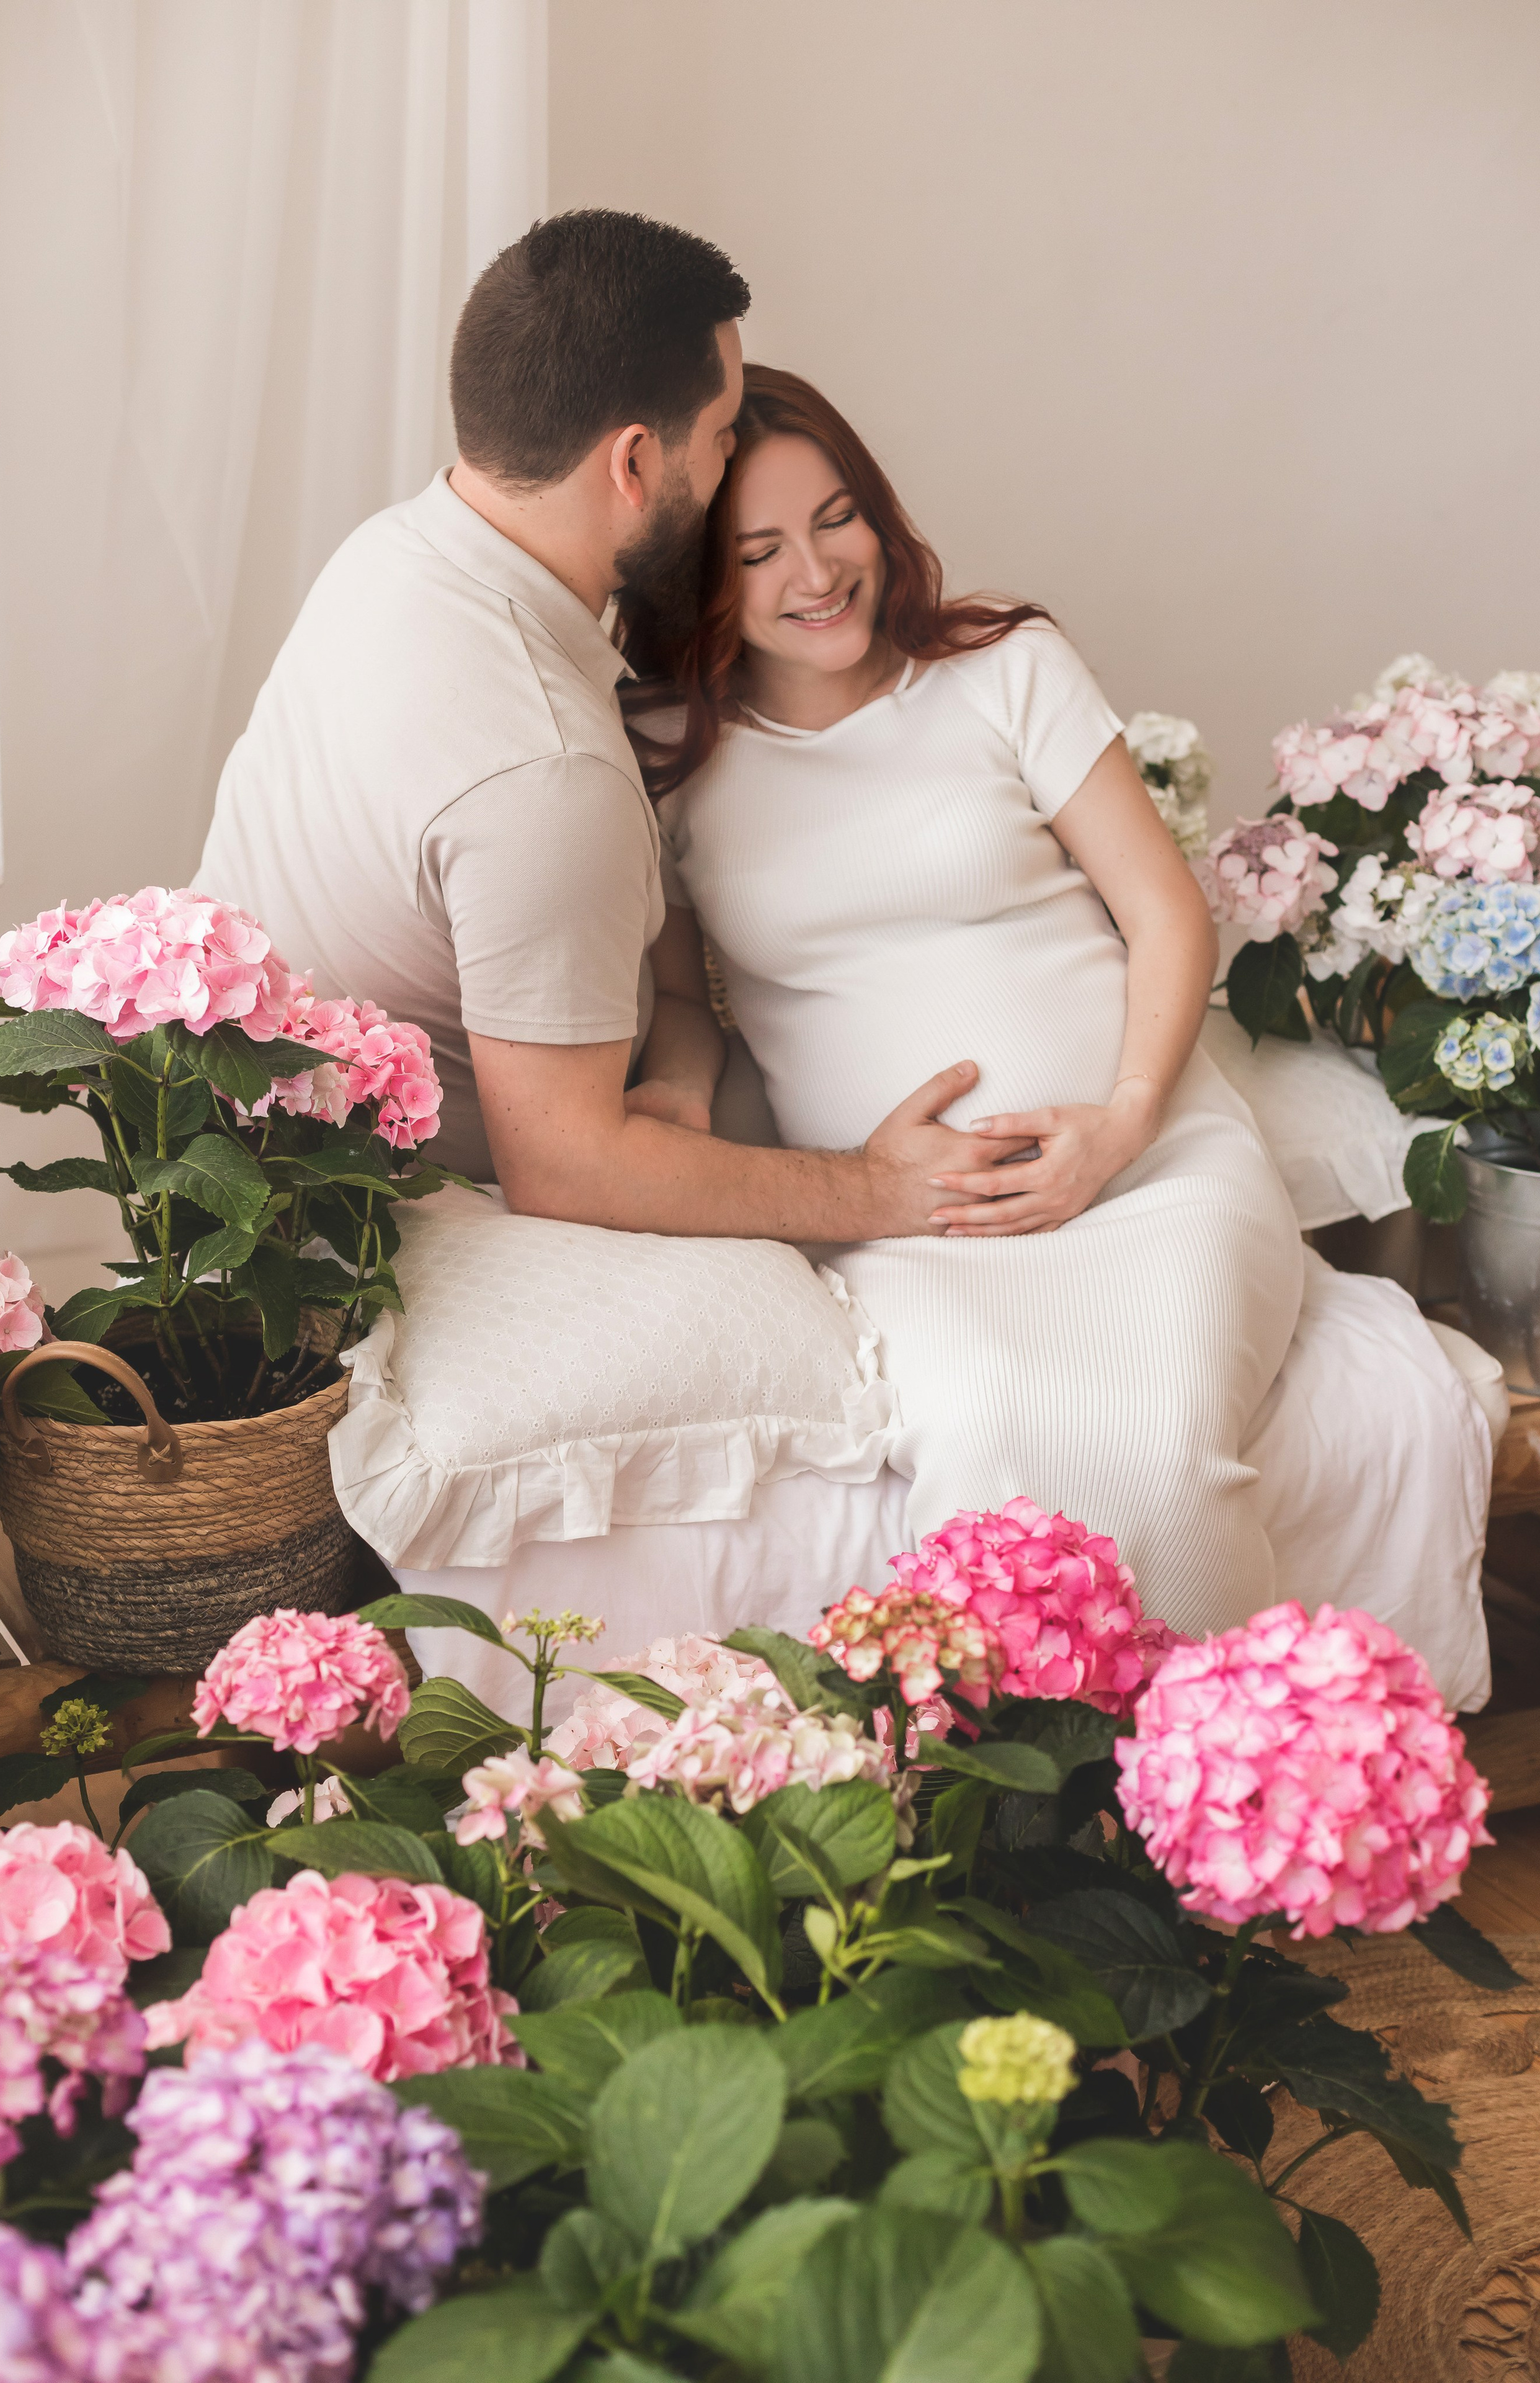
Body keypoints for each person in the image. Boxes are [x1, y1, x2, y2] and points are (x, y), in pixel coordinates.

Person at [620, 365, 1308, 1635]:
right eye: (758, 550)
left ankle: (1218, 1786)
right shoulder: (666, 750)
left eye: (836, 518)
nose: (815, 572)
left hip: (1148, 1169)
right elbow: (681, 1002)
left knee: (1160, 1452)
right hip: (905, 1219)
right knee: (988, 1450)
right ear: (698, 582)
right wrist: (668, 1096)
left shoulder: (1001, 664)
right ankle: (1021, 1821)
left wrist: (1120, 1119)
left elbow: (1164, 913)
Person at [197, 211, 1024, 1241]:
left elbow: (646, 974)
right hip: (425, 1222)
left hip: (256, 1162)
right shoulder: (543, 768)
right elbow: (566, 1168)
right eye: (723, 436)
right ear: (634, 463)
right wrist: (882, 1187)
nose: (733, 459)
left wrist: (681, 1064)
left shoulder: (392, 552)